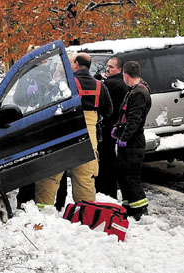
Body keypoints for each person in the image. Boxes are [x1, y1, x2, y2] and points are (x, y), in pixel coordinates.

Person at [36, 52, 112, 208]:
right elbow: (109, 111)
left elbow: (48, 105)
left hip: (64, 132)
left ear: (76, 65)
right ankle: (87, 215)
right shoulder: (100, 86)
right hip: (88, 135)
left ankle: (42, 215)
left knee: (51, 175)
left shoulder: (65, 84)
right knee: (84, 178)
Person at [113, 60, 151, 220]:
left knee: (130, 176)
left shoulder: (139, 94)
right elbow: (125, 115)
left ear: (126, 75)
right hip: (129, 140)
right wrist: (117, 127)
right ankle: (129, 206)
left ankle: (140, 209)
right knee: (123, 175)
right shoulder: (133, 91)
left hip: (133, 142)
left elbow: (134, 119)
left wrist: (125, 137)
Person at [95, 56, 129, 199]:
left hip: (107, 128)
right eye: (107, 66)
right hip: (115, 128)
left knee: (104, 162)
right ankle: (111, 192)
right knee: (110, 161)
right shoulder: (122, 84)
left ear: (120, 70)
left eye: (111, 67)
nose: (107, 69)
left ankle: (105, 193)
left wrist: (97, 78)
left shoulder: (111, 84)